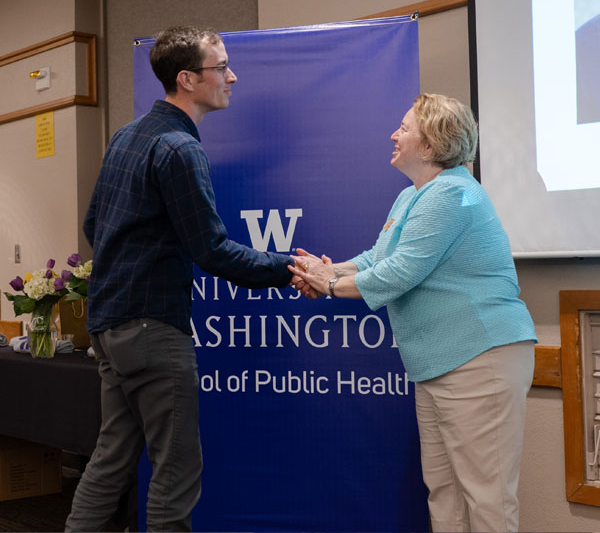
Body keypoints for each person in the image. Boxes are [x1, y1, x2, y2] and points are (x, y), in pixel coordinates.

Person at [65, 26, 297, 532]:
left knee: (111, 461)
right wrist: (293, 268)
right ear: (187, 79)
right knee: (175, 470)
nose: (232, 76)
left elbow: (93, 225)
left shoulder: (127, 135)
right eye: (222, 68)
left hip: (110, 326)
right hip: (151, 331)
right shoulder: (179, 149)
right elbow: (212, 250)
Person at [289, 93, 537, 533]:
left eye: (404, 128)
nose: (393, 134)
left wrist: (326, 284)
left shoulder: (452, 194)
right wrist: (322, 269)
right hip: (437, 365)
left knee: (488, 500)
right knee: (443, 494)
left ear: (429, 145)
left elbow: (398, 274)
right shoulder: (413, 197)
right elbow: (375, 259)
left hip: (480, 358)